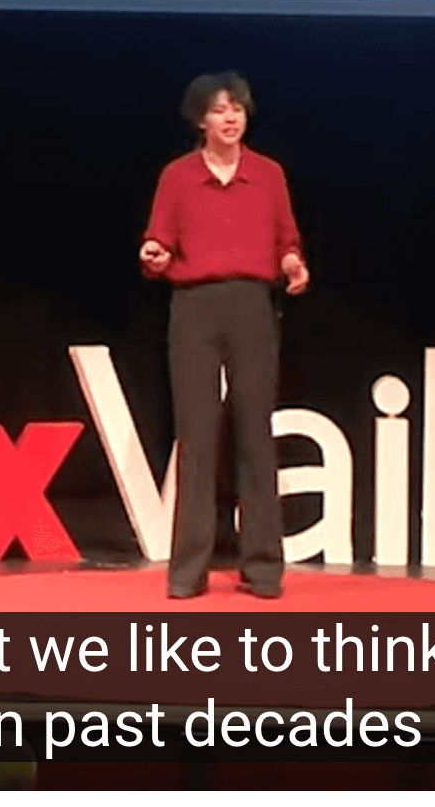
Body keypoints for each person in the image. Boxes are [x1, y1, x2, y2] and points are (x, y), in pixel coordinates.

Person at [138, 72, 308, 600]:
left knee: (254, 434)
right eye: (219, 110)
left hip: (252, 306)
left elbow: (287, 238)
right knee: (198, 436)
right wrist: (154, 255)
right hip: (195, 308)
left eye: (237, 108)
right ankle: (188, 571)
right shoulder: (178, 177)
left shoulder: (269, 174)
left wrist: (292, 262)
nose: (231, 118)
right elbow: (157, 243)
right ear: (200, 120)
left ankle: (262, 569)